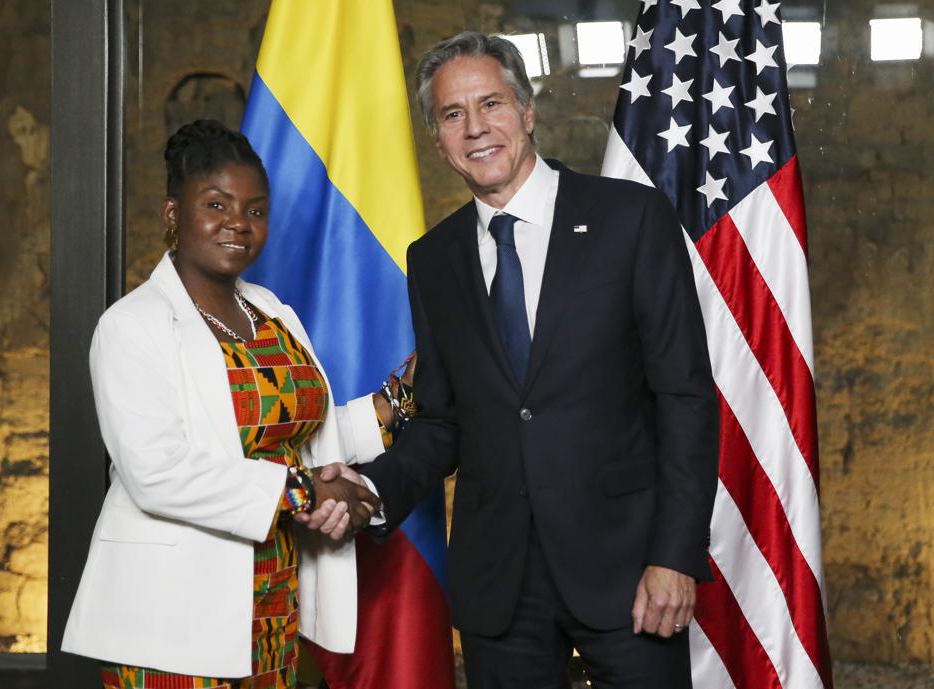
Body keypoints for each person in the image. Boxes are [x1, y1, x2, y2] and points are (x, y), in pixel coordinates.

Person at [309, 32, 719, 688]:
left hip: (628, 571)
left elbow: (686, 398)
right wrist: (373, 487)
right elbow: (443, 420)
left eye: (491, 104)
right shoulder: (433, 259)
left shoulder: (630, 219)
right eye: (452, 114)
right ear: (437, 136)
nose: (475, 128)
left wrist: (675, 554)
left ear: (527, 112)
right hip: (498, 586)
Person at [61, 119, 388, 689]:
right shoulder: (131, 326)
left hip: (272, 601)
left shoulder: (271, 312)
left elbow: (300, 432)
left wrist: (393, 404)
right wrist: (305, 490)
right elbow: (156, 471)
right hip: (170, 616)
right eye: (217, 204)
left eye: (255, 210)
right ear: (172, 215)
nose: (238, 222)